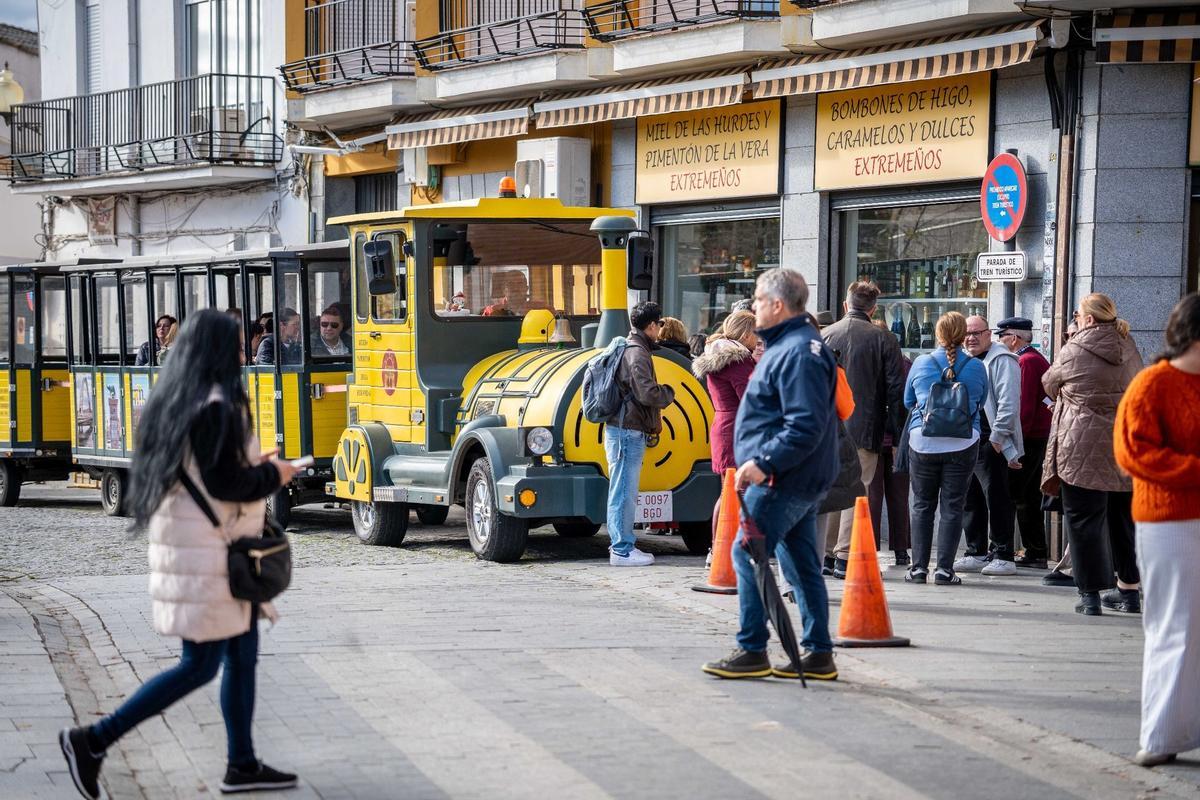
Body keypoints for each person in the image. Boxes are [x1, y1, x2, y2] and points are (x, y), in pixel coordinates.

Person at [58, 309, 301, 800]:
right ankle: (93, 740)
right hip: (210, 554)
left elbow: (208, 474)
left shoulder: (178, 399)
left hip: (205, 547)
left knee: (242, 654)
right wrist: (276, 474)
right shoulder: (213, 405)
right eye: (235, 348)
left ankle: (242, 763)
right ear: (214, 353)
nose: (244, 355)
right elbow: (224, 482)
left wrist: (258, 464)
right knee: (201, 664)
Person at [701, 268, 840, 682]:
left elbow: (805, 424)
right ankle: (817, 653)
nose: (753, 307)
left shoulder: (798, 351)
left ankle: (752, 648)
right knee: (799, 563)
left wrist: (765, 463)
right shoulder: (793, 346)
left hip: (784, 478)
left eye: (759, 300)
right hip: (793, 475)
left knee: (747, 552)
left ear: (778, 305)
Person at [1113, 293, 1200, 767]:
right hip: (1171, 521)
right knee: (1175, 627)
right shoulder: (1152, 384)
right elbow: (1134, 454)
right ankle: (1163, 733)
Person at [1043, 293, 1144, 615]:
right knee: (1123, 520)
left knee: (1084, 520)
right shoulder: (1128, 346)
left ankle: (1090, 597)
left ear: (1087, 318)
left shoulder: (1074, 348)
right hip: (1124, 445)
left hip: (1081, 446)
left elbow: (1049, 383)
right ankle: (1129, 592)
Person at [820, 281, 906, 578]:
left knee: (830, 486)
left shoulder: (824, 335)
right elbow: (896, 391)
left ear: (846, 304)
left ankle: (828, 553)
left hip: (827, 427)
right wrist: (896, 435)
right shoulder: (883, 338)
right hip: (865, 426)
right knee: (858, 489)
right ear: (873, 308)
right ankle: (845, 553)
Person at [903, 311, 989, 586]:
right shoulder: (976, 367)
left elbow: (907, 401)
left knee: (921, 505)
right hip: (963, 442)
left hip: (923, 441)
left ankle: (917, 569)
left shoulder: (921, 363)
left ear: (938, 335)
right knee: (953, 506)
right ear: (963, 336)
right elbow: (980, 402)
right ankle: (944, 570)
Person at [602, 301, 675, 567]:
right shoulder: (637, 353)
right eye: (660, 324)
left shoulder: (632, 347)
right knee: (624, 492)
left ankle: (622, 546)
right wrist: (668, 393)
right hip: (627, 432)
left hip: (623, 430)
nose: (661, 330)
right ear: (652, 325)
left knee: (622, 490)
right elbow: (646, 393)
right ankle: (622, 550)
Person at [956, 316, 1024, 576]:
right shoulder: (964, 359)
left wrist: (997, 438)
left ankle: (1003, 553)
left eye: (977, 333)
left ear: (989, 334)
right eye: (967, 333)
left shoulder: (1003, 360)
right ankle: (976, 551)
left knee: (997, 498)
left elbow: (1008, 403)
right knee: (969, 498)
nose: (971, 338)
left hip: (991, 441)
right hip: (967, 439)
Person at [996, 317, 1053, 569]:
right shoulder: (1032, 358)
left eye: (1003, 335)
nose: (1000, 340)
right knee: (1026, 494)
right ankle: (1034, 549)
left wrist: (1014, 445)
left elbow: (1024, 405)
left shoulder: (1026, 361)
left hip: (1029, 438)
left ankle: (1035, 550)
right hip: (1034, 436)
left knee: (1022, 495)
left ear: (1014, 338)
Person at [692, 310, 757, 476]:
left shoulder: (720, 357)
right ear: (746, 334)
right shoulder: (738, 362)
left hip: (726, 429)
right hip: (737, 432)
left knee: (728, 493)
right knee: (738, 493)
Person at [868, 321, 912, 565]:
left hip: (873, 438)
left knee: (872, 497)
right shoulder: (905, 363)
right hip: (900, 438)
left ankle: (871, 546)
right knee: (899, 496)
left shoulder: (868, 364)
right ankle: (901, 550)